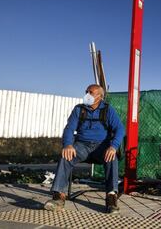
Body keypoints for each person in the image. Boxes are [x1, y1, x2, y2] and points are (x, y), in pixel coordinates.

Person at [44, 84, 124, 214]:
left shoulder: (108, 110)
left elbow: (120, 129)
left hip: (101, 147)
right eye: (86, 91)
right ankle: (59, 197)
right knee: (66, 156)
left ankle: (111, 197)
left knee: (112, 157)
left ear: (100, 96)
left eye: (91, 92)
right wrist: (68, 144)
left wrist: (113, 146)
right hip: (81, 146)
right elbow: (69, 128)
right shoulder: (79, 109)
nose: (87, 94)